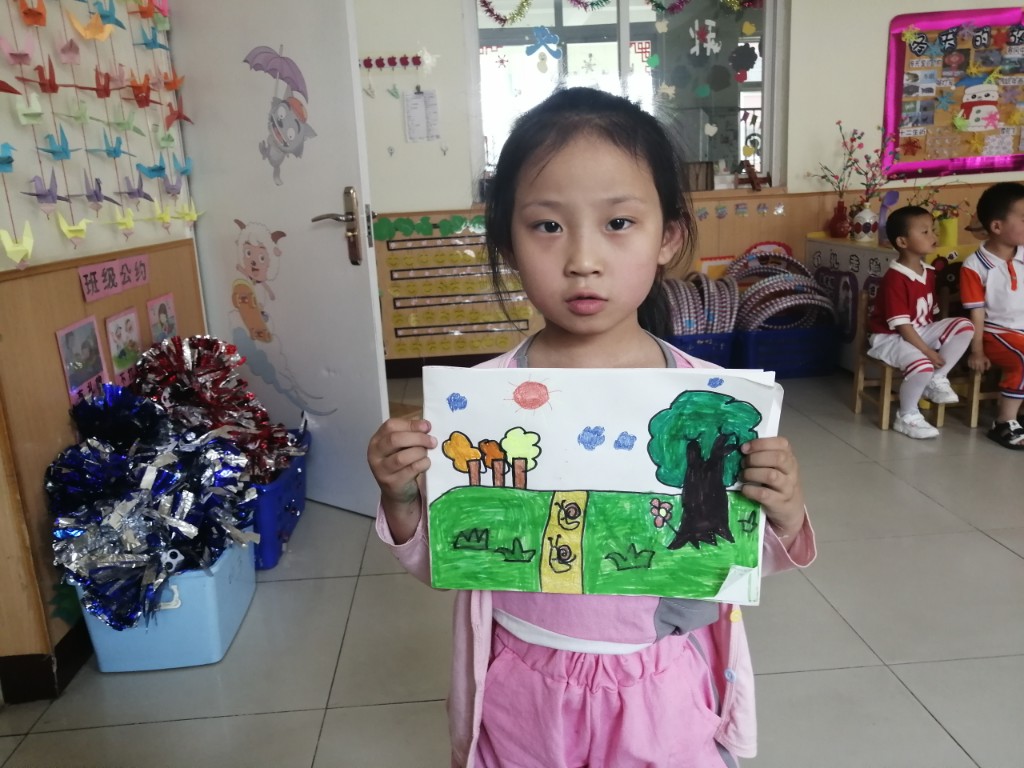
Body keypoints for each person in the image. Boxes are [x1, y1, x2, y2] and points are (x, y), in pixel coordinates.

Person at [367, 87, 815, 768]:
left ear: (668, 237)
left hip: (661, 681)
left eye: (618, 223)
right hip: (523, 684)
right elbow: (448, 561)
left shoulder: (711, 401)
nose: (582, 258)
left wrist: (783, 510)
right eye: (547, 226)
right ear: (508, 242)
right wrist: (402, 498)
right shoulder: (478, 405)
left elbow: (735, 561)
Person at [866, 205, 975, 439]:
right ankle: (907, 416)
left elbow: (929, 316)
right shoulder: (895, 278)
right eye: (924, 232)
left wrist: (935, 341)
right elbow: (902, 326)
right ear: (902, 242)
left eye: (932, 230)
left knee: (964, 326)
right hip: (891, 338)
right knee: (923, 364)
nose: (933, 236)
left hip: (919, 330)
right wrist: (927, 351)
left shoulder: (928, 271)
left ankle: (937, 378)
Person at [960, 181, 1024, 448]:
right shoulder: (975, 266)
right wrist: (977, 351)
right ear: (997, 227)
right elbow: (976, 312)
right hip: (995, 333)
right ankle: (1004, 421)